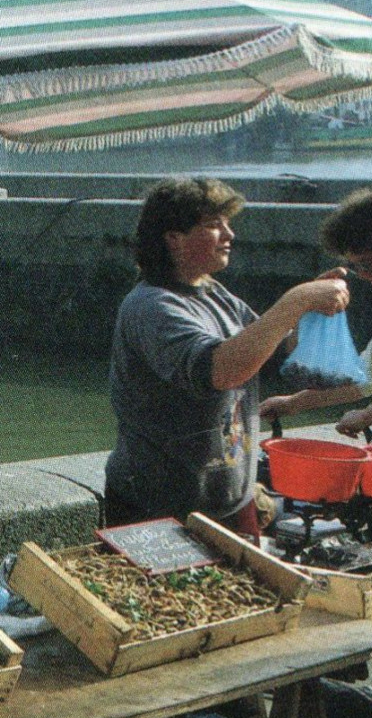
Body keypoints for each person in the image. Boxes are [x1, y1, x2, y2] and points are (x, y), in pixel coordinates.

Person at [104, 177, 350, 537]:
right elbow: (220, 370)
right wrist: (295, 300)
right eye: (213, 225)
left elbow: (277, 347)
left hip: (231, 500)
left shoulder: (212, 291)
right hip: (159, 509)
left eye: (227, 223)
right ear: (174, 238)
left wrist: (308, 312)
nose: (229, 235)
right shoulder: (152, 306)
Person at [259, 184, 372, 442]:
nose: (363, 275)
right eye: (356, 267)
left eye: (368, 263)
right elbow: (368, 376)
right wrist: (293, 404)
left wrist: (364, 416)